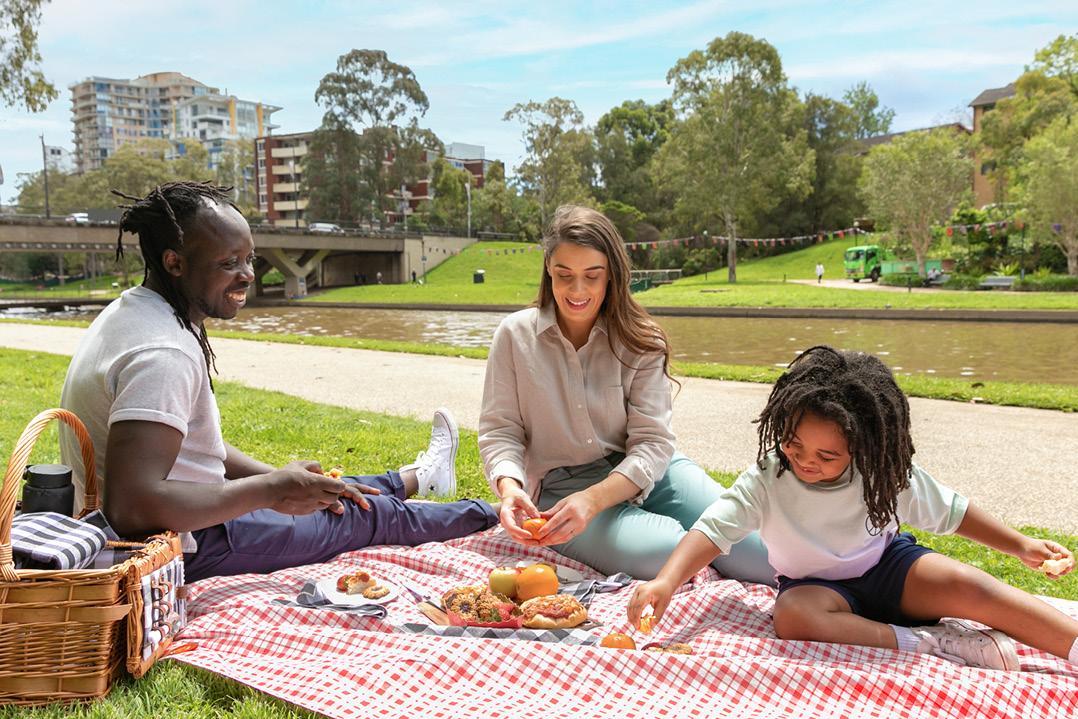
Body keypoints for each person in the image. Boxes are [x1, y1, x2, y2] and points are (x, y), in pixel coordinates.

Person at [59, 182, 498, 582]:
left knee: (338, 490)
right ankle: (503, 515)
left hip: (191, 512)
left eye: (249, 258)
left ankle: (419, 476)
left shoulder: (137, 310)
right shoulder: (163, 353)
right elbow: (133, 508)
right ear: (175, 262)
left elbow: (190, 448)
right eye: (229, 263)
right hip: (184, 543)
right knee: (367, 517)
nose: (248, 274)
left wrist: (276, 478)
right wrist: (271, 490)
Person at [628, 346, 1078, 671]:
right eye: (794, 444)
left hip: (892, 571)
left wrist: (1020, 546)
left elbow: (954, 512)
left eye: (827, 457)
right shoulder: (768, 477)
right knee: (791, 618)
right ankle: (933, 642)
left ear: (860, 448)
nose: (805, 461)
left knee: (975, 587)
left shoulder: (880, 473)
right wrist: (667, 581)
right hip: (816, 591)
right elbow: (712, 530)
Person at [479, 205, 774, 584]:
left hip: (652, 472)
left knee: (761, 551)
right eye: (564, 275)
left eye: (592, 276)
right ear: (549, 272)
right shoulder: (513, 336)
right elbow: (500, 430)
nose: (577, 290)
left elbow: (652, 443)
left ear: (612, 277)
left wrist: (597, 499)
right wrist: (509, 489)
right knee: (671, 554)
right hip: (562, 490)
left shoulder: (642, 339)